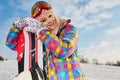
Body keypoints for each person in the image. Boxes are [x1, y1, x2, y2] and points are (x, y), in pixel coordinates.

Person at [6, 1, 86, 80]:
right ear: (38, 23)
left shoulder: (68, 29)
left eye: (50, 16)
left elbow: (64, 51)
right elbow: (11, 44)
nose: (49, 20)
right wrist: (17, 26)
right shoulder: (40, 38)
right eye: (43, 20)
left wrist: (41, 31)